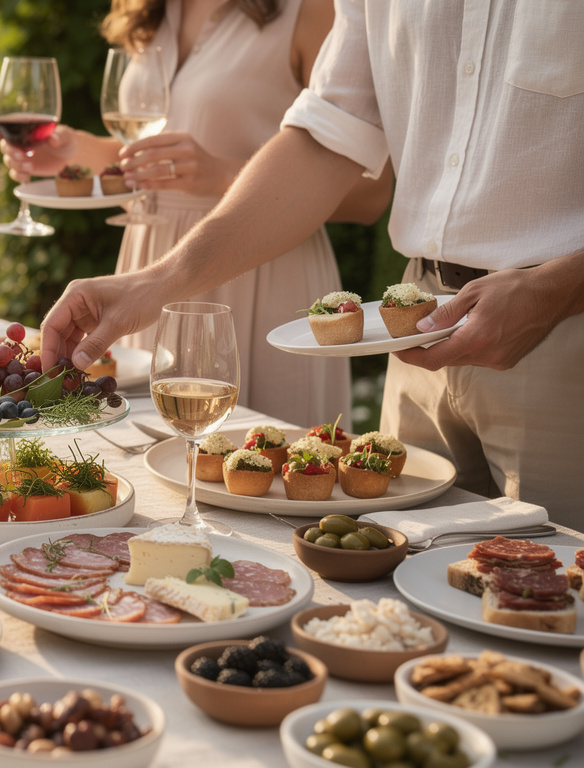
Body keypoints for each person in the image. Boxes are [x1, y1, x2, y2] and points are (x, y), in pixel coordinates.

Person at [40, 1, 584, 522]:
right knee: (402, 590)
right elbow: (326, 139)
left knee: (560, 599)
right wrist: (153, 283)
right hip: (417, 333)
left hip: (564, 335)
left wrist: (556, 288)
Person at [0, 0, 392, 428]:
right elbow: (154, 167)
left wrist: (222, 173)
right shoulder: (149, 11)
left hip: (262, 271)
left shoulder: (308, 10)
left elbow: (373, 193)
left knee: (269, 465)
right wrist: (79, 154)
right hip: (148, 276)